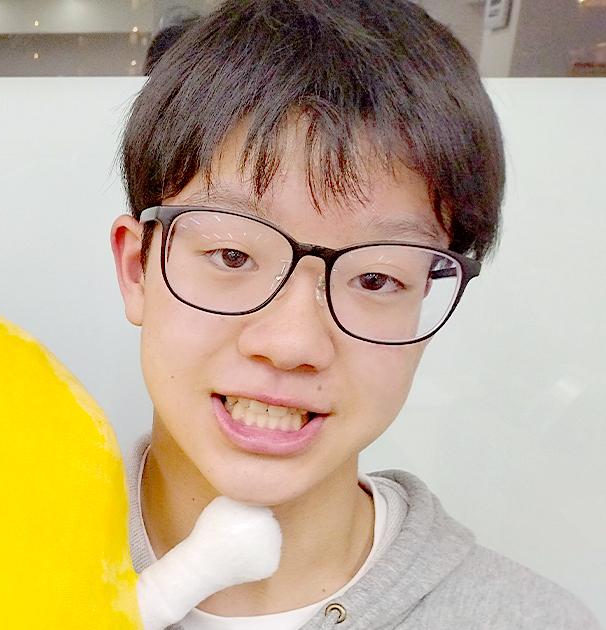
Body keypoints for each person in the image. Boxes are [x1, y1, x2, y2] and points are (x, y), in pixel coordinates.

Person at [110, 1, 601, 628]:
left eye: (376, 278)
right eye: (233, 255)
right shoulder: (8, 563)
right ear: (137, 269)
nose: (292, 342)